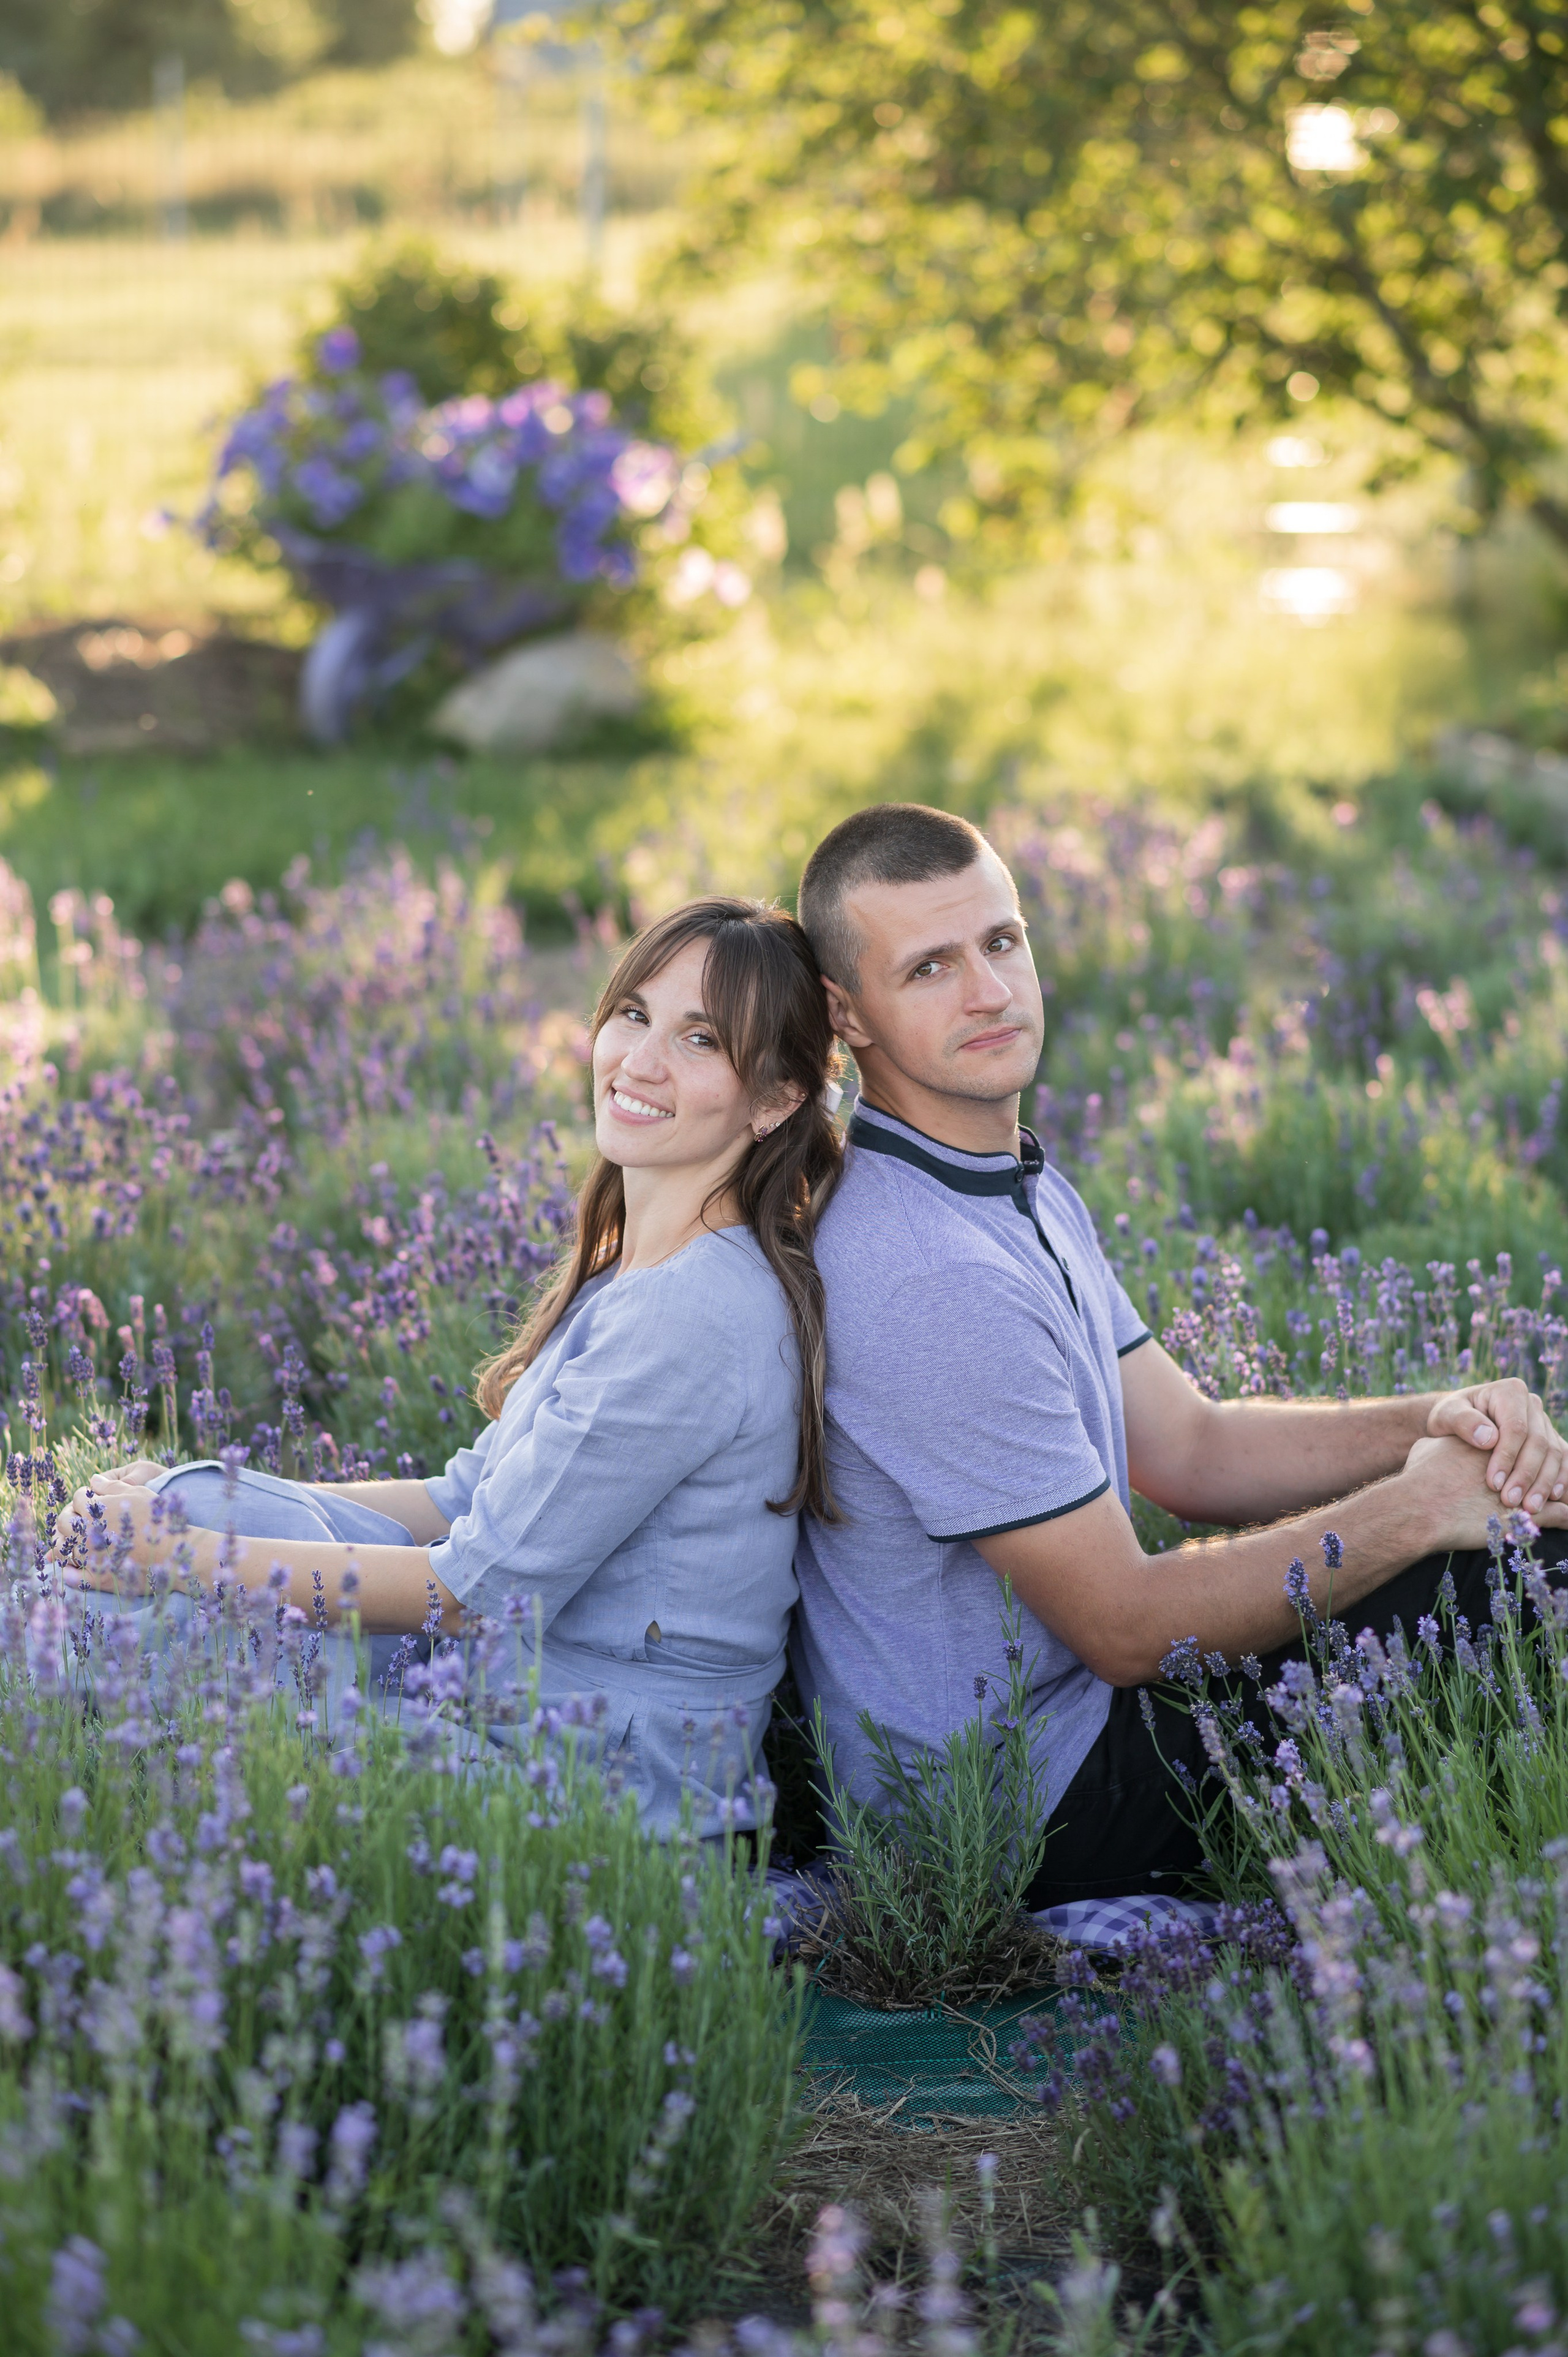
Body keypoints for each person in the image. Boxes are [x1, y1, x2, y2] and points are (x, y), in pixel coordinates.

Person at [791, 802, 1568, 1905]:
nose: (991, 992)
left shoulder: (997, 1181)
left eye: (1001, 942)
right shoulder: (929, 1273)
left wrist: (1451, 1421)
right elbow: (1125, 1628)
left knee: (1517, 1530)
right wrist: (1416, 1508)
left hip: (1072, 1733)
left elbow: (1192, 1449)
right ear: (845, 1012)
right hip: (1017, 1805)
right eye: (930, 968)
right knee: (1526, 1574)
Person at [61, 896, 843, 1836]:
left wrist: (176, 1556)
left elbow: (470, 1595)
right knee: (189, 1524)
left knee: (138, 1642)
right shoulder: (644, 1270)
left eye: (701, 1039)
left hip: (598, 1791)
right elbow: (465, 1495)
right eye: (634, 1014)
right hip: (504, 1706)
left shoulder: (693, 1313)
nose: (640, 1061)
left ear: (776, 1098)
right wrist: (200, 1498)